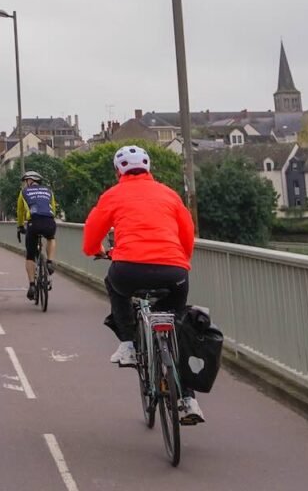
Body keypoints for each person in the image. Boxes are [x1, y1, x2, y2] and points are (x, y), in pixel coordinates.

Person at [81, 145, 203, 425]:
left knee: (114, 284)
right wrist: (181, 261)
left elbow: (91, 234)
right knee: (177, 326)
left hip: (129, 270)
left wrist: (95, 250)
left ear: (118, 171)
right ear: (149, 168)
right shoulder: (169, 194)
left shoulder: (113, 195)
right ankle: (188, 399)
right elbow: (187, 233)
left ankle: (128, 344)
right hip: (174, 271)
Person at [15, 170, 59, 301]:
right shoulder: (48, 191)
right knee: (51, 238)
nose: (25, 184)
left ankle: (32, 286)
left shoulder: (24, 192)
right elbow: (53, 209)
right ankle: (50, 262)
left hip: (33, 222)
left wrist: (20, 226)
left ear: (30, 181)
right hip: (49, 221)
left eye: (26, 181)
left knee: (30, 255)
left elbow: (20, 211)